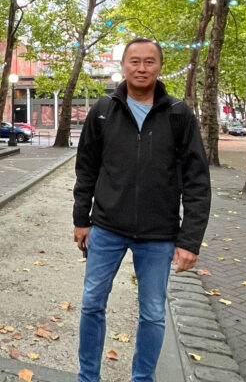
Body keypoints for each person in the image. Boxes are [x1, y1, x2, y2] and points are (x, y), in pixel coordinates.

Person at [73, 37, 211, 382]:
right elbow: (86, 168)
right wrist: (81, 219)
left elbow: (197, 181)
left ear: (160, 66)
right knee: (92, 304)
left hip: (159, 235)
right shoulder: (104, 110)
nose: (141, 68)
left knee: (152, 314)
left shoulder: (178, 115)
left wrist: (189, 240)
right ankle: (87, 376)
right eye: (134, 61)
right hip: (106, 228)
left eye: (149, 61)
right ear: (123, 66)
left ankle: (143, 378)